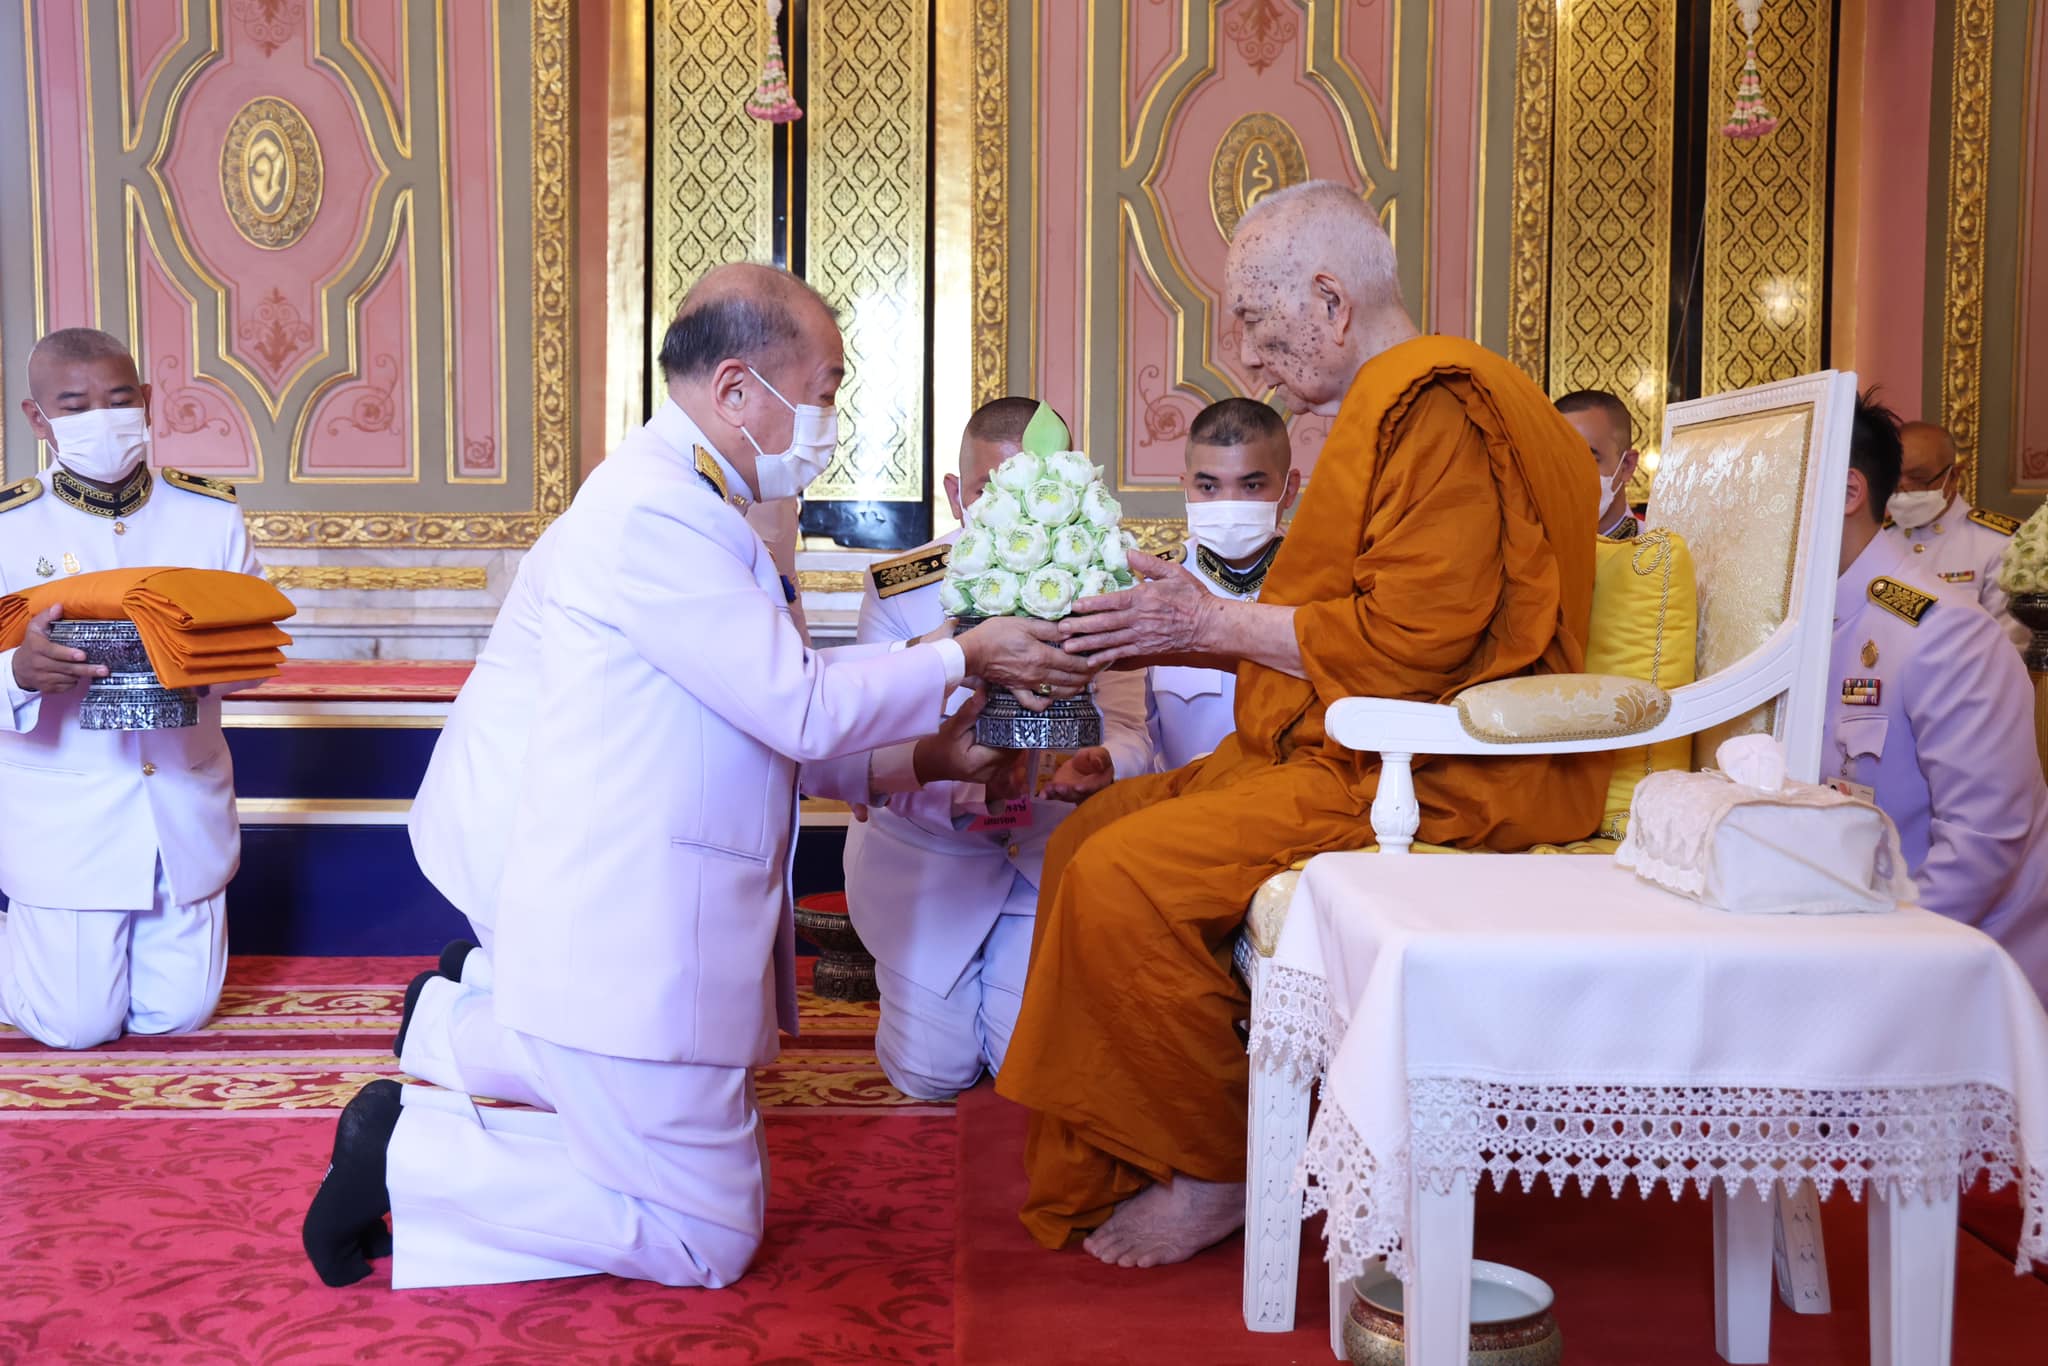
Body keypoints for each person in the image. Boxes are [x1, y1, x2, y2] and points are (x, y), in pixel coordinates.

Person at [303, 264, 1093, 1291]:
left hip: (638, 907)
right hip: (627, 914)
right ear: (734, 390)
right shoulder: (655, 513)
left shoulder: (706, 504)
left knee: (673, 1162)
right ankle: (415, 1153)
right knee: (704, 1238)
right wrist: (964, 655)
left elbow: (777, 715)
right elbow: (798, 704)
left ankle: (463, 1030)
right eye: (824, 392)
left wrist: (937, 754)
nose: (831, 421)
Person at [993, 180, 1610, 1268]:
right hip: (1356, 740)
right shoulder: (1388, 407)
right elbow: (1346, 620)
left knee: (1123, 875)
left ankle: (1221, 1163)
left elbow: (1411, 644)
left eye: (1253, 320)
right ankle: (1126, 1148)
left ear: (1330, 300)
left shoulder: (1437, 406)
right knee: (1088, 834)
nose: (1245, 357)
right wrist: (1168, 627)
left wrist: (1206, 622)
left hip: (1435, 771)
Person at [838, 397, 1153, 1101]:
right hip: (931, 857)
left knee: (1019, 1066)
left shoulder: (1103, 580)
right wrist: (968, 779)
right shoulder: (901, 590)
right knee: (932, 1073)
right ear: (957, 494)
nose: (1017, 513)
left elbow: (1133, 729)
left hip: (1043, 853)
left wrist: (1105, 763)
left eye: (1035, 491)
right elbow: (873, 743)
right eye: (992, 491)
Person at [0, 328, 259, 1050]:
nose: (102, 419)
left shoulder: (210, 515)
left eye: (118, 400)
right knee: (74, 1026)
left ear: (146, 401)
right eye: (75, 405)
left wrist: (207, 661)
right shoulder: (8, 527)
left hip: (181, 805)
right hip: (66, 819)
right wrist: (16, 672)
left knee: (178, 1017)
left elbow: (256, 649)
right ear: (37, 419)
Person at [1828, 395, 2048, 999]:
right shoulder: (1815, 613)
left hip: (1955, 969)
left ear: (1848, 492)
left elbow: (1983, 842)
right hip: (1853, 932)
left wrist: (1884, 966)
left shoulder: (1944, 630)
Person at [1146, 397, 1298, 770]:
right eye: (1209, 487)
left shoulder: (1324, 586)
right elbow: (1138, 731)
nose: (1229, 503)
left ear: (1289, 489)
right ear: (1185, 487)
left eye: (1251, 485)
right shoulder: (1152, 587)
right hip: (1179, 799)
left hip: (1293, 797)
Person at [1882, 421, 2027, 649]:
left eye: (1918, 479)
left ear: (1954, 476)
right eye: (1892, 479)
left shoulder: (2000, 543)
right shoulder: (1878, 539)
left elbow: (2007, 648)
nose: (1903, 489)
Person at [1555, 388, 1642, 540]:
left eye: (1586, 461)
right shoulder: (1529, 549)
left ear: (1627, 465)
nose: (1567, 476)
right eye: (1555, 462)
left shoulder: (1659, 551)